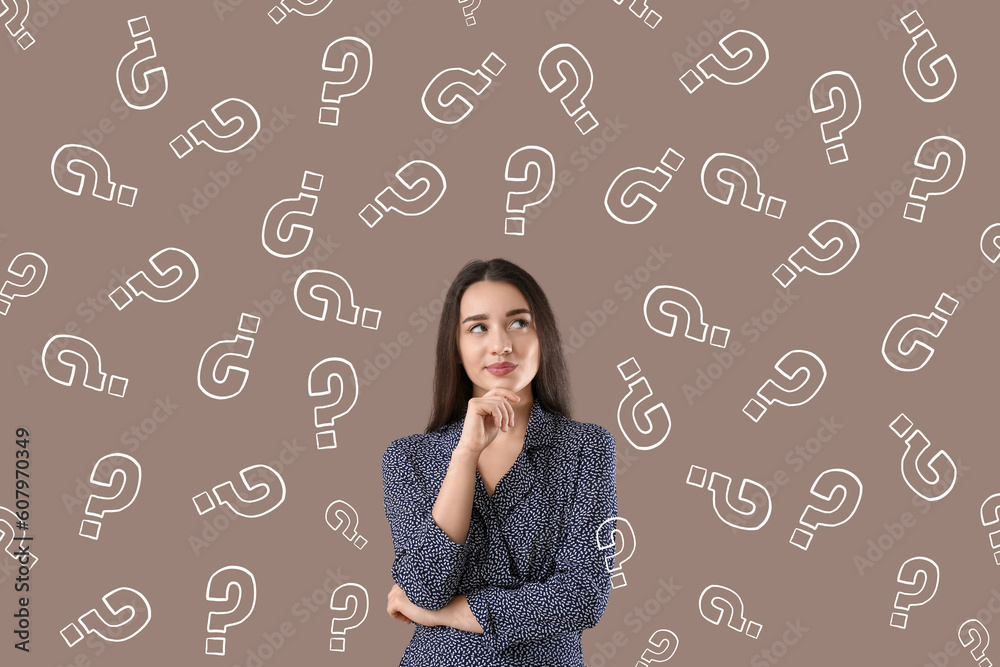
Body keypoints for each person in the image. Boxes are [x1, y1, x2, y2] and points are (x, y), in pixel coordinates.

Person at [382, 258, 619, 666]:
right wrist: (465, 455)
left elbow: (583, 597)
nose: (501, 344)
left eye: (518, 323)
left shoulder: (586, 447)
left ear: (543, 334)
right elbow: (422, 588)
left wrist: (450, 614)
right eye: (478, 327)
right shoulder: (409, 458)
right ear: (455, 348)